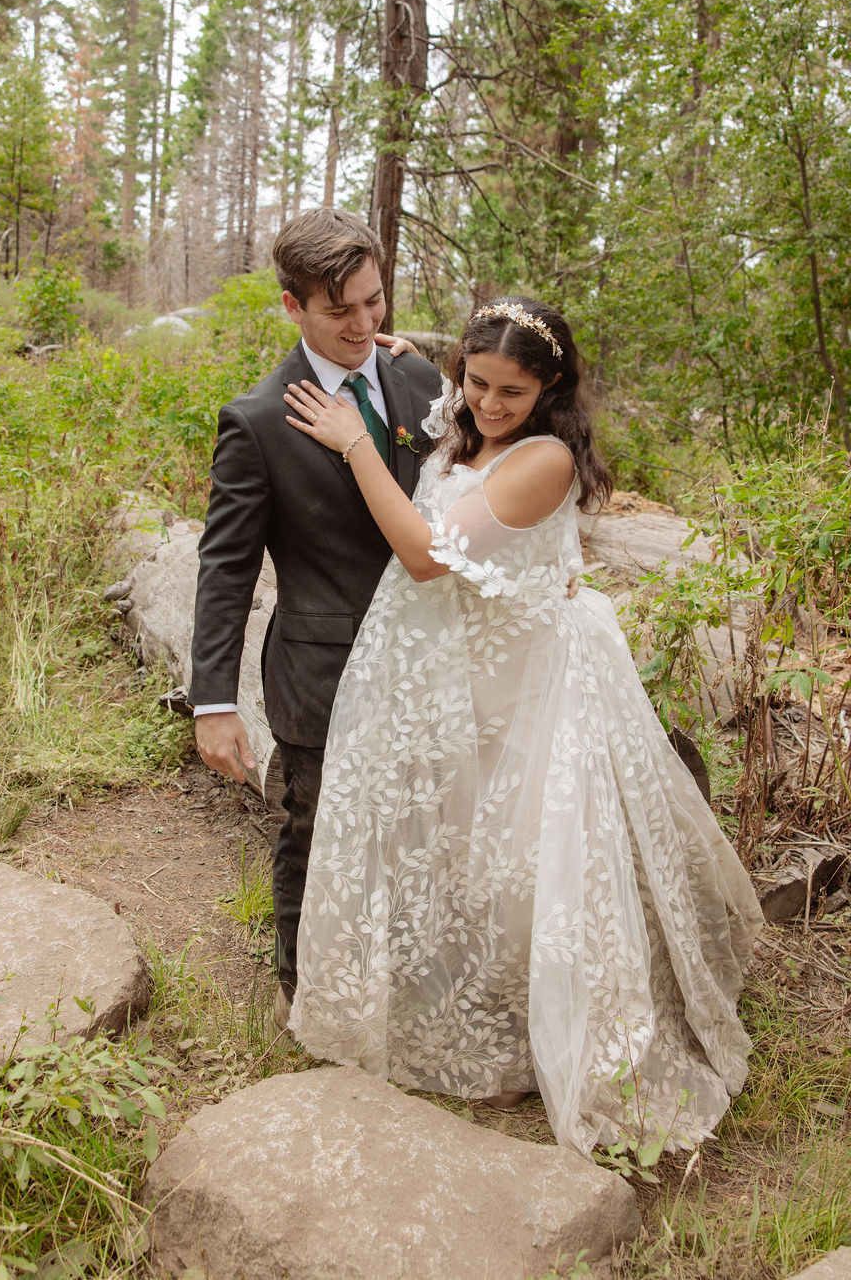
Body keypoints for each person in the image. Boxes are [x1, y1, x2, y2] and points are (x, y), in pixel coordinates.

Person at [283, 295, 763, 1156]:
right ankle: (488, 1003)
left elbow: (427, 555)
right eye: (478, 381)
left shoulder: (543, 457)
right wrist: (417, 358)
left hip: (530, 682)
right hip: (466, 675)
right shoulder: (467, 411)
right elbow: (449, 411)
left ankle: (562, 1029)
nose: (489, 405)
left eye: (513, 390)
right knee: (472, 847)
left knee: (531, 862)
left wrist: (358, 446)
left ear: (549, 389)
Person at [188, 208, 441, 1028]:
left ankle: (403, 976)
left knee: (418, 824)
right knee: (313, 828)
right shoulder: (257, 421)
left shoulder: (416, 378)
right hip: (321, 673)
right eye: (342, 312)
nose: (366, 324)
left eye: (375, 302)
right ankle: (303, 996)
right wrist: (213, 701)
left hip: (430, 659)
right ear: (292, 305)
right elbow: (226, 567)